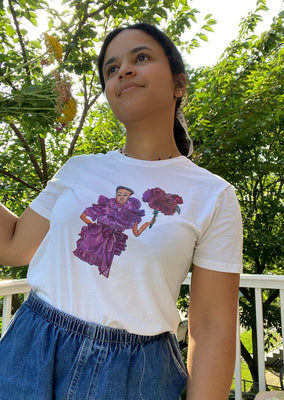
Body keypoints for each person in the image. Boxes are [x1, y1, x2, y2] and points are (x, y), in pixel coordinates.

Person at [0, 23, 243, 400]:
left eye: (140, 58)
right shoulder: (79, 168)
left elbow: (212, 327)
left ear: (179, 84)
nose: (123, 71)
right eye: (112, 69)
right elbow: (12, 247)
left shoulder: (214, 196)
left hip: (135, 376)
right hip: (31, 348)